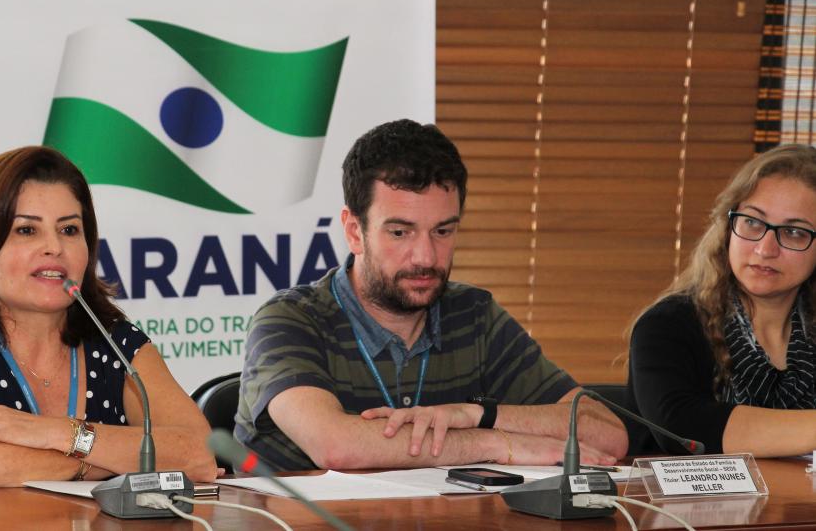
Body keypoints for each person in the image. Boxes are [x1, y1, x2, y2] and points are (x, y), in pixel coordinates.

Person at [235, 119, 627, 470]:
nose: (425, 257)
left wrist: (476, 414)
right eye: (400, 232)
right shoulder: (289, 319)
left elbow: (608, 434)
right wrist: (495, 443)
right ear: (355, 231)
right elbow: (335, 445)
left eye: (442, 231)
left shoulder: (474, 315)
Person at [0, 146, 219, 489]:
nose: (54, 247)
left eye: (69, 230)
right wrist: (111, 465)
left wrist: (48, 432)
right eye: (27, 230)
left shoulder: (116, 344)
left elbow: (199, 454)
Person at [629, 144, 816, 456]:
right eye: (753, 222)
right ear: (728, 228)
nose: (766, 249)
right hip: (682, 505)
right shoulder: (669, 324)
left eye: (794, 232)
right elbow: (684, 430)